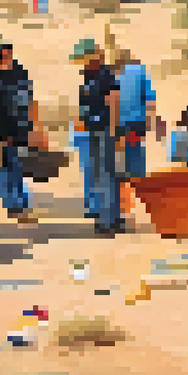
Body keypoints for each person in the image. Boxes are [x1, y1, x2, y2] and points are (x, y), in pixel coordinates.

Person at [0, 35, 49, 224]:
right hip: (0, 130)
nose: (0, 57)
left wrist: (37, 128)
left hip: (21, 128)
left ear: (8, 52)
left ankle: (19, 205)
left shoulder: (20, 73)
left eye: (1, 53)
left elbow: (31, 101)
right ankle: (13, 205)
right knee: (6, 168)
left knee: (19, 167)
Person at [70, 38, 123, 235]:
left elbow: (114, 102)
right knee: (99, 173)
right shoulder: (88, 76)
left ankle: (108, 220)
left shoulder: (106, 75)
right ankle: (112, 217)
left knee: (106, 175)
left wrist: (113, 131)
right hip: (92, 131)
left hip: (105, 131)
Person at [113, 46, 160, 227]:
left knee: (118, 163)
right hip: (136, 124)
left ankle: (123, 206)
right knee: (136, 161)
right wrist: (151, 120)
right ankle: (139, 202)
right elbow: (150, 100)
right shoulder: (140, 72)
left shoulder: (112, 73)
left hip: (117, 125)